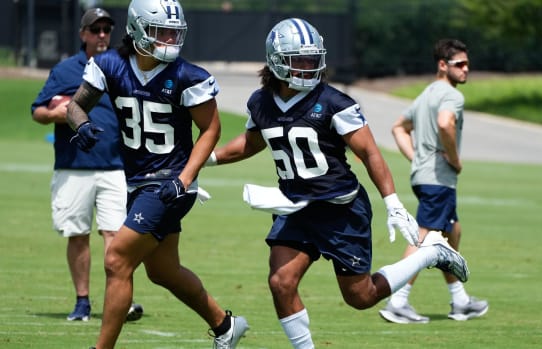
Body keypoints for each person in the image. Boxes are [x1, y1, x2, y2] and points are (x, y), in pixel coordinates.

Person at [205, 18, 469, 349]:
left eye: (312, 59)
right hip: (296, 207)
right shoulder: (261, 102)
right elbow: (252, 142)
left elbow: (371, 153)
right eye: (298, 60)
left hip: (340, 210)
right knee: (281, 281)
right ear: (276, 61)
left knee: (361, 297)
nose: (307, 67)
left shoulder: (333, 102)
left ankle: (427, 253)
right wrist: (207, 159)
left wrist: (393, 203)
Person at [65, 0, 248, 348]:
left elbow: (211, 130)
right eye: (160, 31)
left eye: (173, 33)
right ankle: (226, 326)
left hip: (170, 183)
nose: (168, 40)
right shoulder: (109, 65)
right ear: (136, 29)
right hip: (138, 182)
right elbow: (75, 106)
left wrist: (185, 179)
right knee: (162, 271)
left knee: (117, 258)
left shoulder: (187, 76)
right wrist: (82, 125)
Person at [31, 7, 143, 323]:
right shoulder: (66, 70)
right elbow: (38, 110)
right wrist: (59, 113)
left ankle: (121, 301)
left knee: (117, 237)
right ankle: (82, 302)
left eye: (107, 29)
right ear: (83, 34)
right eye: (96, 30)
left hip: (116, 167)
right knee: (77, 235)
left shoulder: (124, 67)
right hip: (73, 167)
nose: (102, 35)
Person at [381, 38, 488, 323]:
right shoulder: (452, 96)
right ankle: (397, 300)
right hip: (438, 178)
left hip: (426, 177)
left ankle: (460, 300)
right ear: (443, 65)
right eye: (459, 64)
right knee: (425, 238)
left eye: (468, 64)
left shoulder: (426, 93)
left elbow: (398, 128)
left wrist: (417, 159)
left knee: (452, 231)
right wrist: (454, 158)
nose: (466, 69)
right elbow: (445, 123)